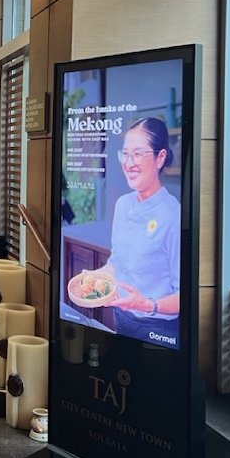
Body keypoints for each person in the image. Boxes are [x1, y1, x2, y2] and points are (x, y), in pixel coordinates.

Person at [67, 117, 180, 345]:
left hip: (158, 327)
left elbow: (185, 295)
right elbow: (117, 262)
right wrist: (94, 279)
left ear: (160, 158)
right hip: (122, 316)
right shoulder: (124, 205)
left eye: (138, 154)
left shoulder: (173, 214)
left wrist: (148, 304)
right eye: (125, 154)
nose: (129, 163)